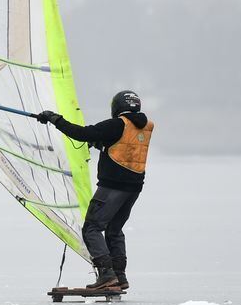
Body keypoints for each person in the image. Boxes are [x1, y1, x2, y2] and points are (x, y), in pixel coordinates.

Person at [36, 90, 153, 290]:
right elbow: (123, 147)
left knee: (91, 228)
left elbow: (82, 134)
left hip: (112, 187)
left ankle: (106, 275)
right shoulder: (145, 127)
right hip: (133, 189)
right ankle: (119, 276)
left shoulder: (117, 124)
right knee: (114, 230)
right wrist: (101, 144)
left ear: (116, 107)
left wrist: (55, 119)